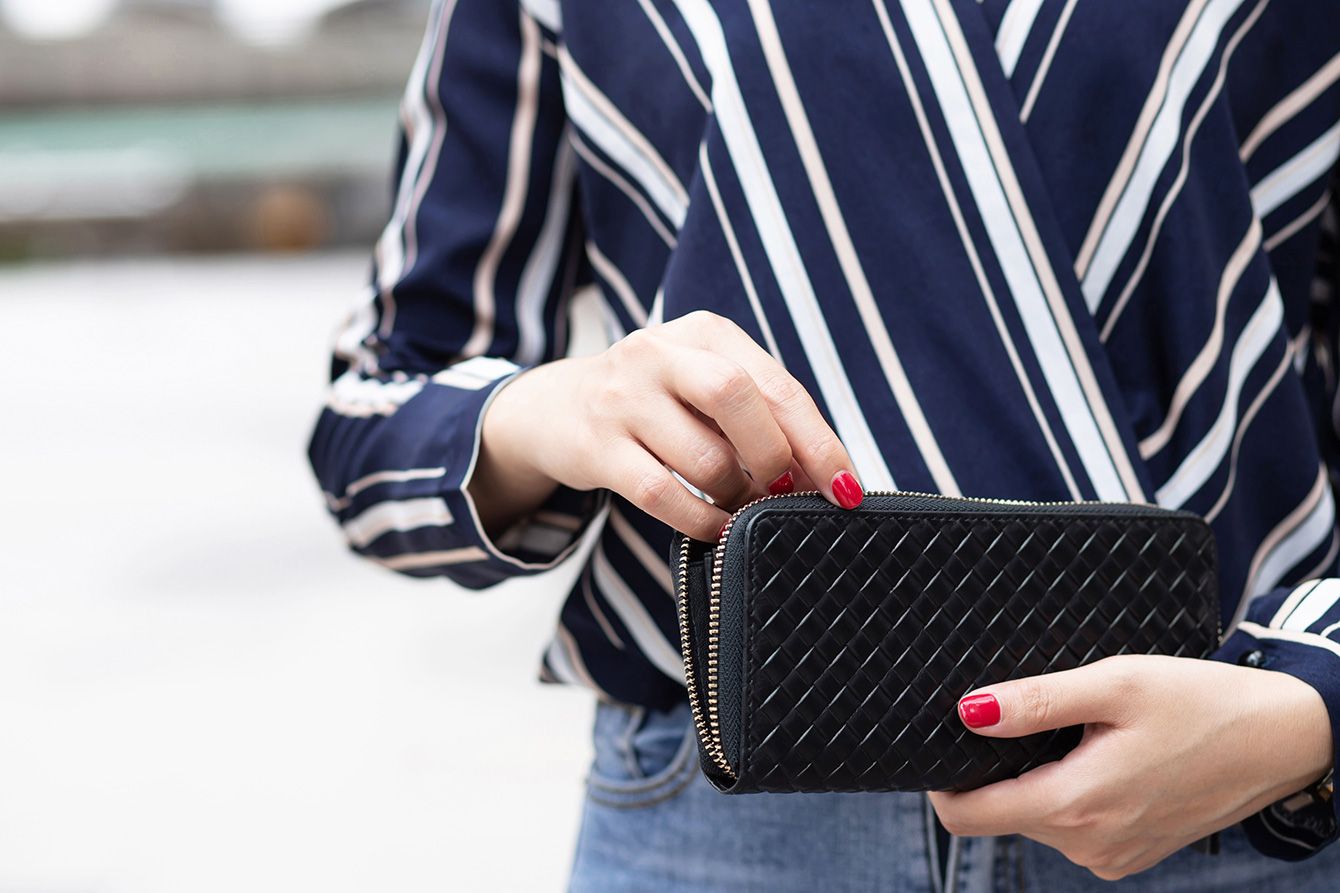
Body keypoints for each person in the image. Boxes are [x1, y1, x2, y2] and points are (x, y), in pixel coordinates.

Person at [307, 0, 1340, 889]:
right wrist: (561, 410)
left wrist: (1311, 711)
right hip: (726, 824)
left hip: (1232, 795)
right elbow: (372, 418)